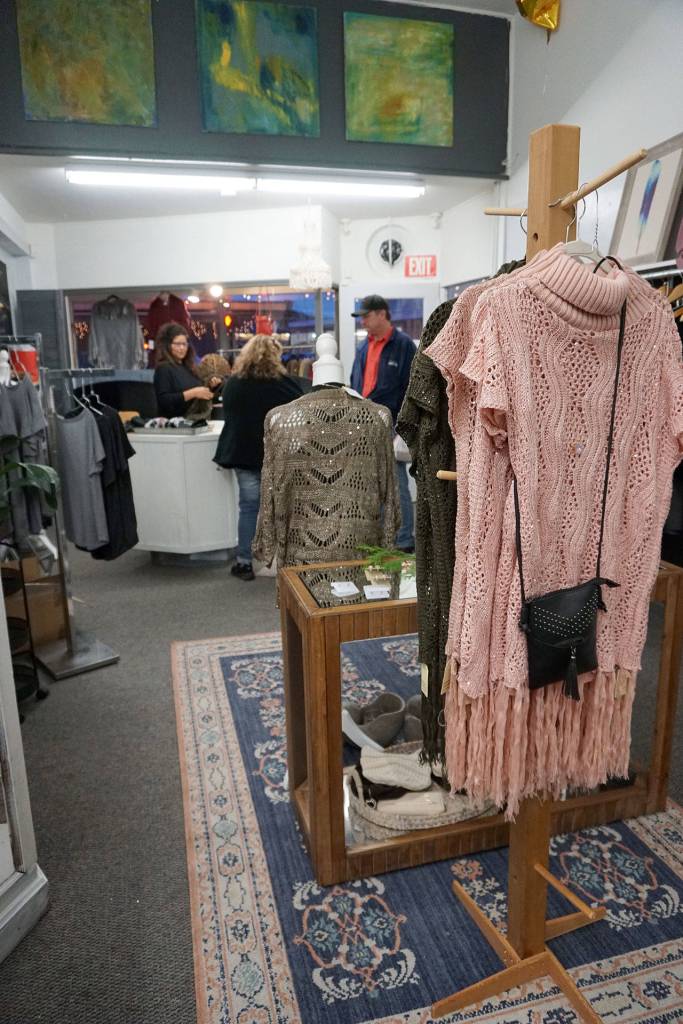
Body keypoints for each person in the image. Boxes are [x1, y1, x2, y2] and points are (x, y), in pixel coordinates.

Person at [214, 334, 303, 581]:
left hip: (242, 454)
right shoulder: (283, 383)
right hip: (273, 454)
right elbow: (299, 410)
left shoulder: (233, 383)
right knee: (280, 508)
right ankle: (282, 561)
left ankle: (244, 562)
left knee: (249, 508)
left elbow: (229, 415)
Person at [350, 294, 416, 551]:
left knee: (396, 483)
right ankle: (383, 537)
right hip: (365, 423)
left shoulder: (403, 346)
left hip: (392, 425)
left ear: (382, 314)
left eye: (366, 316)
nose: (363, 321)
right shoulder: (364, 347)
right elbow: (357, 382)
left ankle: (404, 541)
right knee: (371, 483)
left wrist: (403, 427)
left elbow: (412, 388)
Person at [153, 322, 220, 419]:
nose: (182, 348)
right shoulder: (163, 368)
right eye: (177, 344)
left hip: (194, 422)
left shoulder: (189, 367)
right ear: (167, 345)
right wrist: (193, 393)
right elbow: (164, 401)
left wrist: (210, 385)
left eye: (184, 344)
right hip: (174, 427)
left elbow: (198, 392)